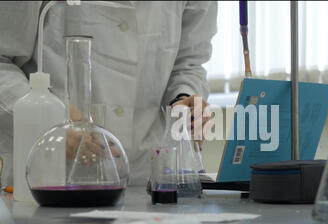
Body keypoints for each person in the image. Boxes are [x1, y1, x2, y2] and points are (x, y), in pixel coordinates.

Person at [0, 1, 217, 186]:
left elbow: (190, 60)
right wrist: (50, 122)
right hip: (50, 175)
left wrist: (184, 98)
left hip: (146, 175)